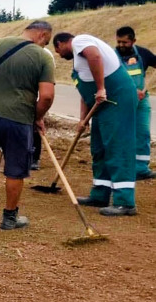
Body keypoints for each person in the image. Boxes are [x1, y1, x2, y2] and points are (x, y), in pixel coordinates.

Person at [0, 21, 55, 230]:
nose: (45, 46)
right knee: (15, 169)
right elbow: (46, 96)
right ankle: (9, 218)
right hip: (18, 119)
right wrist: (37, 116)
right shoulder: (43, 57)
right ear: (42, 34)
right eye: (47, 41)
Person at [54, 32, 138, 216]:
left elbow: (95, 55)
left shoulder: (80, 41)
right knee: (98, 148)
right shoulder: (78, 65)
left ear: (61, 43)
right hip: (101, 105)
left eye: (57, 50)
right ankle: (100, 193)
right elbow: (86, 92)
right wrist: (83, 120)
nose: (59, 55)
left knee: (118, 147)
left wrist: (101, 88)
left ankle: (125, 201)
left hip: (117, 99)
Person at [115, 26, 156, 180]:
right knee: (123, 134)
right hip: (121, 100)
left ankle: (141, 168)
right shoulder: (112, 56)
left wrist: (144, 89)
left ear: (133, 41)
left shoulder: (143, 53)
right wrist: (131, 91)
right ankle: (124, 166)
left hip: (141, 100)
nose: (121, 45)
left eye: (124, 42)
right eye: (119, 42)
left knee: (143, 133)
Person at [31, 47, 57, 171]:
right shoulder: (20, 50)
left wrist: (39, 115)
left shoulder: (46, 55)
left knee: (35, 126)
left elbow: (48, 83)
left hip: (36, 94)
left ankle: (34, 158)